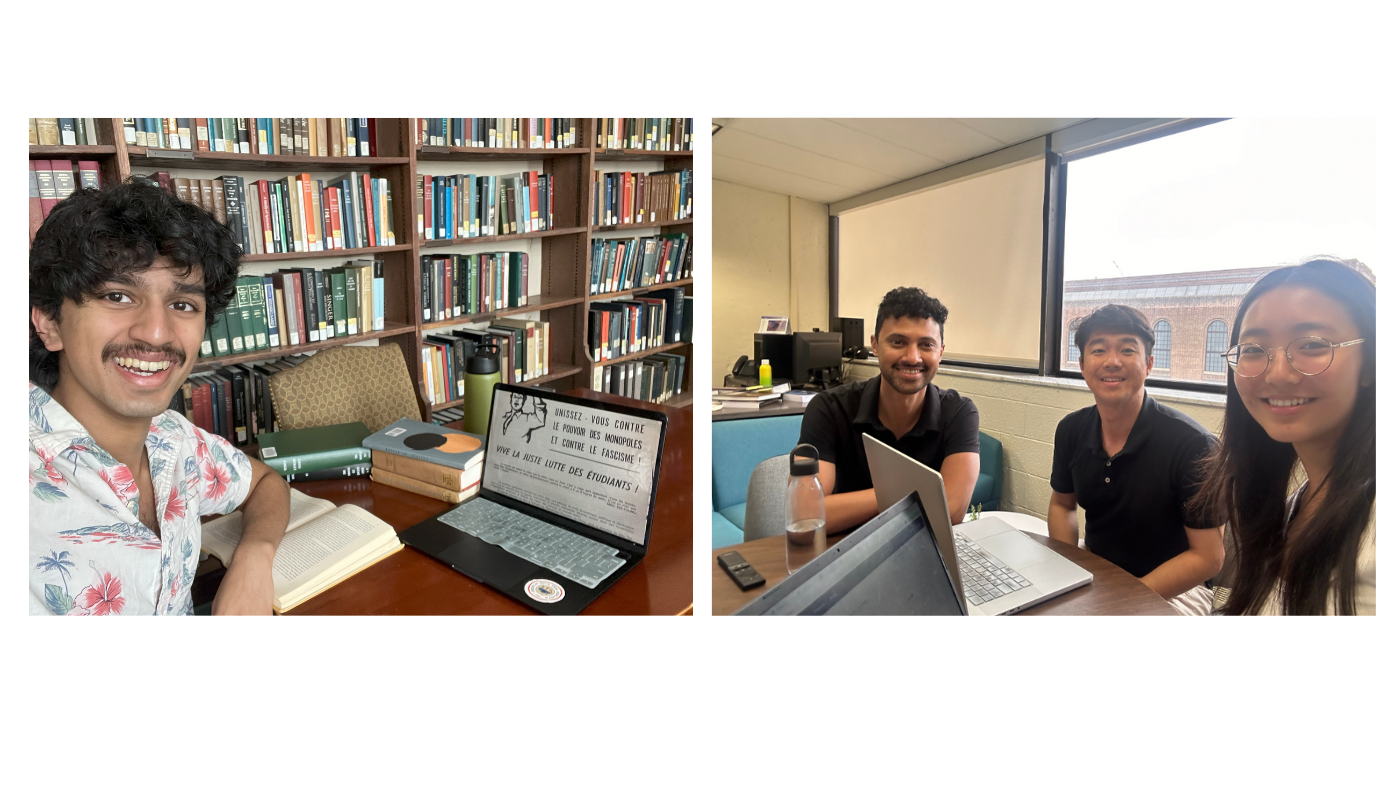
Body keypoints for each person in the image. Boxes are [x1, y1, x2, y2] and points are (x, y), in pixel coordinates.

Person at [29, 179, 290, 616]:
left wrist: (253, 559)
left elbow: (264, 484)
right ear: (50, 324)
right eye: (117, 296)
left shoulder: (175, 439)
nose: (155, 333)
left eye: (183, 304)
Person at [1191, 258, 1375, 615]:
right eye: (1254, 350)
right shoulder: (1293, 505)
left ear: (1369, 363)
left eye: (1312, 345)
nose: (1277, 374)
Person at [1047, 304, 1224, 614]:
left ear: (1149, 364)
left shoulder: (1194, 445)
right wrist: (1068, 565)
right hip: (1097, 566)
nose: (1112, 362)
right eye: (1099, 350)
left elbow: (1208, 557)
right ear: (1082, 364)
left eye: (1128, 350)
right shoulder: (1071, 430)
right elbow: (1063, 505)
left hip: (1175, 587)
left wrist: (1123, 600)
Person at [797, 286, 980, 533]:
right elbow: (806, 514)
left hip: (921, 553)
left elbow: (952, 509)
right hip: (842, 553)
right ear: (875, 345)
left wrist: (855, 504)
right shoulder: (829, 409)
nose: (913, 357)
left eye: (926, 344)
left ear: (940, 352)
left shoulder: (959, 413)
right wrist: (910, 491)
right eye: (897, 342)